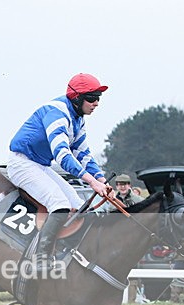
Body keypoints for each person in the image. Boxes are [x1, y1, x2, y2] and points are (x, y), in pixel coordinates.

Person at [7, 73, 112, 271]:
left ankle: (70, 252)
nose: (96, 103)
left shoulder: (78, 119)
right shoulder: (57, 113)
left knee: (80, 206)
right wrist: (92, 182)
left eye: (98, 98)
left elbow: (83, 155)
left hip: (40, 165)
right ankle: (40, 259)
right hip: (22, 163)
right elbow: (63, 156)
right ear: (77, 98)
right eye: (92, 98)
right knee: (60, 205)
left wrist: (102, 180)